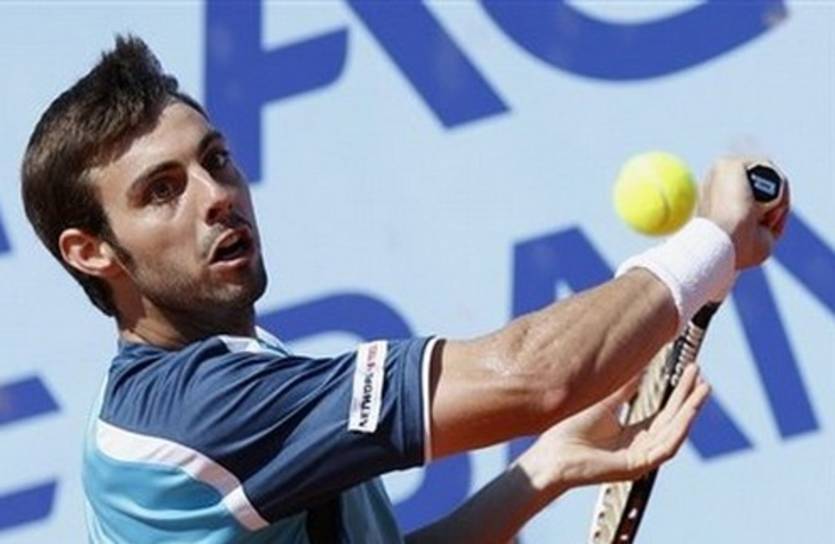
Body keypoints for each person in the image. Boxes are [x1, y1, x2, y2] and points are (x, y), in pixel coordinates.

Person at [20, 36, 787, 543]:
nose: (216, 194)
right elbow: (533, 376)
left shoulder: (226, 374)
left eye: (214, 159)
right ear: (91, 252)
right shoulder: (194, 417)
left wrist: (543, 468)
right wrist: (715, 239)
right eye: (161, 190)